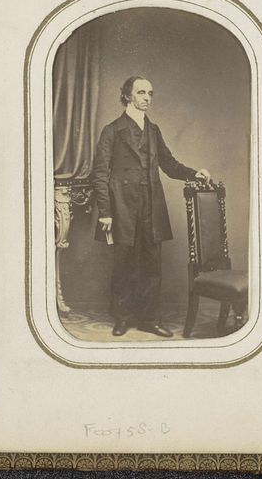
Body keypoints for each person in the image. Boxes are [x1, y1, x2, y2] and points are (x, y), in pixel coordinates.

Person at [92, 76, 210, 337]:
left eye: (150, 93)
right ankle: (122, 317)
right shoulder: (112, 131)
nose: (147, 98)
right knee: (124, 263)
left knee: (152, 264)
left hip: (151, 205)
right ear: (127, 96)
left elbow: (169, 164)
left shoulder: (154, 130)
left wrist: (194, 173)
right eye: (141, 92)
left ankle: (150, 319)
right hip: (123, 206)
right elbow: (99, 173)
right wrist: (106, 212)